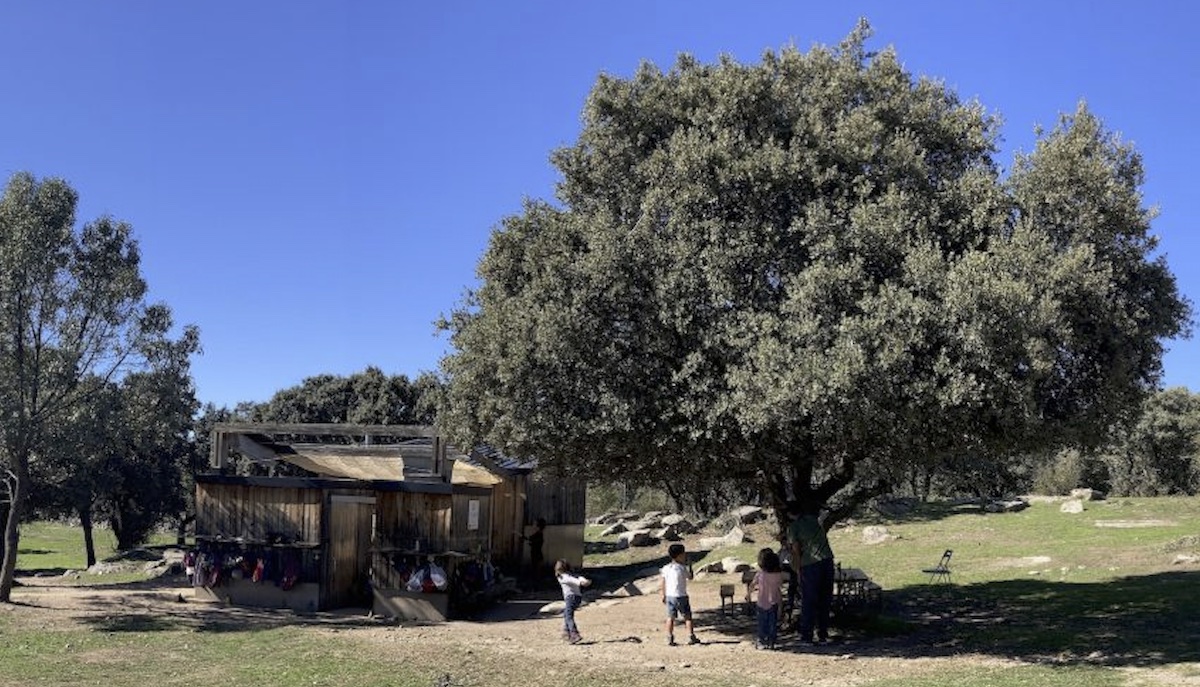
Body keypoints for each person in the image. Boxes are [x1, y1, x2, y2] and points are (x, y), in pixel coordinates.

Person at [788, 501, 836, 645]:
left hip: (810, 564)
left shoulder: (793, 527)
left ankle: (807, 636)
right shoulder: (812, 520)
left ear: (789, 514)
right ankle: (823, 635)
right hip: (827, 560)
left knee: (809, 600)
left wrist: (797, 569)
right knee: (825, 599)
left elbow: (796, 550)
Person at [660, 543, 700, 646]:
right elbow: (690, 577)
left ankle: (669, 637)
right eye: (683, 554)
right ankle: (691, 636)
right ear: (679, 555)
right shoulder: (682, 568)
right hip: (681, 595)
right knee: (687, 617)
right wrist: (690, 566)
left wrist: (663, 594)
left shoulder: (666, 568)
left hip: (670, 596)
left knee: (670, 617)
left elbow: (663, 582)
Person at [750, 548, 784, 650]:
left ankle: (761, 640)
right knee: (772, 624)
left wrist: (748, 594)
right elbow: (779, 589)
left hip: (761, 602)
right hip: (774, 602)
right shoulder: (778, 575)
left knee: (762, 623)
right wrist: (781, 605)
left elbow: (752, 584)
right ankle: (771, 641)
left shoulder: (760, 574)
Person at [554, 559, 590, 644]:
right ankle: (566, 632)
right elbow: (578, 578)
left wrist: (582, 582)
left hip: (571, 598)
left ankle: (574, 634)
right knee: (567, 614)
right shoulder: (569, 575)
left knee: (568, 615)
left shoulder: (564, 577)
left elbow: (574, 580)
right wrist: (584, 581)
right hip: (577, 597)